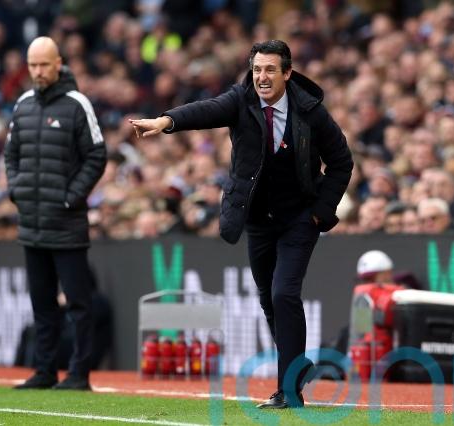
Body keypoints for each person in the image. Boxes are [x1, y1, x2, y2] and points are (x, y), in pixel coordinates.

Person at [130, 40, 353, 409]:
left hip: (299, 218)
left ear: (287, 73)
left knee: (284, 294)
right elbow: (205, 111)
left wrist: (320, 211)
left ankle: (290, 389)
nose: (262, 77)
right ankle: (295, 371)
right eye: (257, 69)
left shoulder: (311, 110)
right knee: (268, 299)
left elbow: (342, 161)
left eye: (270, 70)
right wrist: (165, 122)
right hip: (258, 219)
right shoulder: (241, 99)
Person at [5, 37, 107, 390]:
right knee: (42, 303)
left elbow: (97, 154)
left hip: (66, 223)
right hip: (31, 223)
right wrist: (16, 189)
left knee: (78, 303)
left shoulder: (78, 104)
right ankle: (44, 369)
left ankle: (79, 373)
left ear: (58, 63)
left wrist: (71, 198)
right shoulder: (22, 105)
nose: (38, 71)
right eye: (32, 65)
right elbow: (10, 154)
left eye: (44, 64)